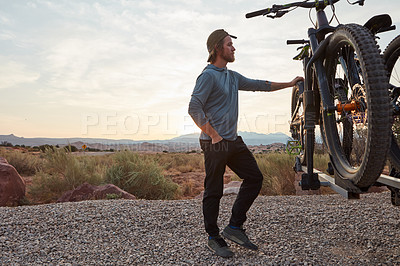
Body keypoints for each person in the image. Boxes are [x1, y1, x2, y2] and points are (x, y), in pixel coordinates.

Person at [188, 29, 304, 258]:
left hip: (232, 140)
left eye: (233, 44)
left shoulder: (233, 77)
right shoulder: (208, 76)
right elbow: (194, 108)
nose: (234, 48)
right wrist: (213, 134)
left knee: (255, 177)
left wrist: (290, 84)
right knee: (214, 191)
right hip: (215, 143)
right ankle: (213, 237)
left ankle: (234, 227)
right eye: (229, 44)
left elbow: (260, 84)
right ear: (217, 49)